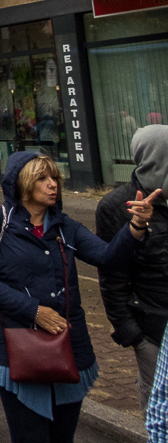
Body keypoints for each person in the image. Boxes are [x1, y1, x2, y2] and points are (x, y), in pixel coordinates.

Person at [0, 151, 155, 442]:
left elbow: (107, 256)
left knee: (62, 437)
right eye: (42, 178)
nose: (52, 184)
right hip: (17, 347)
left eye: (54, 177)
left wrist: (136, 226)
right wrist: (34, 310)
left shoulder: (66, 226)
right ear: (22, 184)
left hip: (67, 347)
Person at [98, 125, 168, 411]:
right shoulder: (116, 207)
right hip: (151, 327)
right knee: (160, 405)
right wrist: (132, 333)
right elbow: (112, 275)